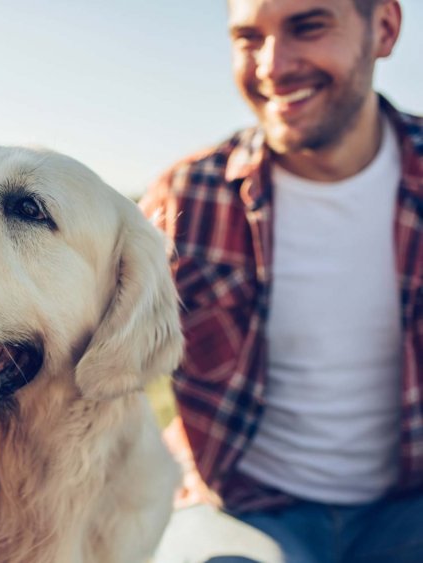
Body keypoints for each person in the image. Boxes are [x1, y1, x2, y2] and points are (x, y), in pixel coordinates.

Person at [142, 0, 422, 561]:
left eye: (308, 26)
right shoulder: (186, 199)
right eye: (249, 38)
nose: (272, 64)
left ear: (384, 28)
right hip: (241, 506)